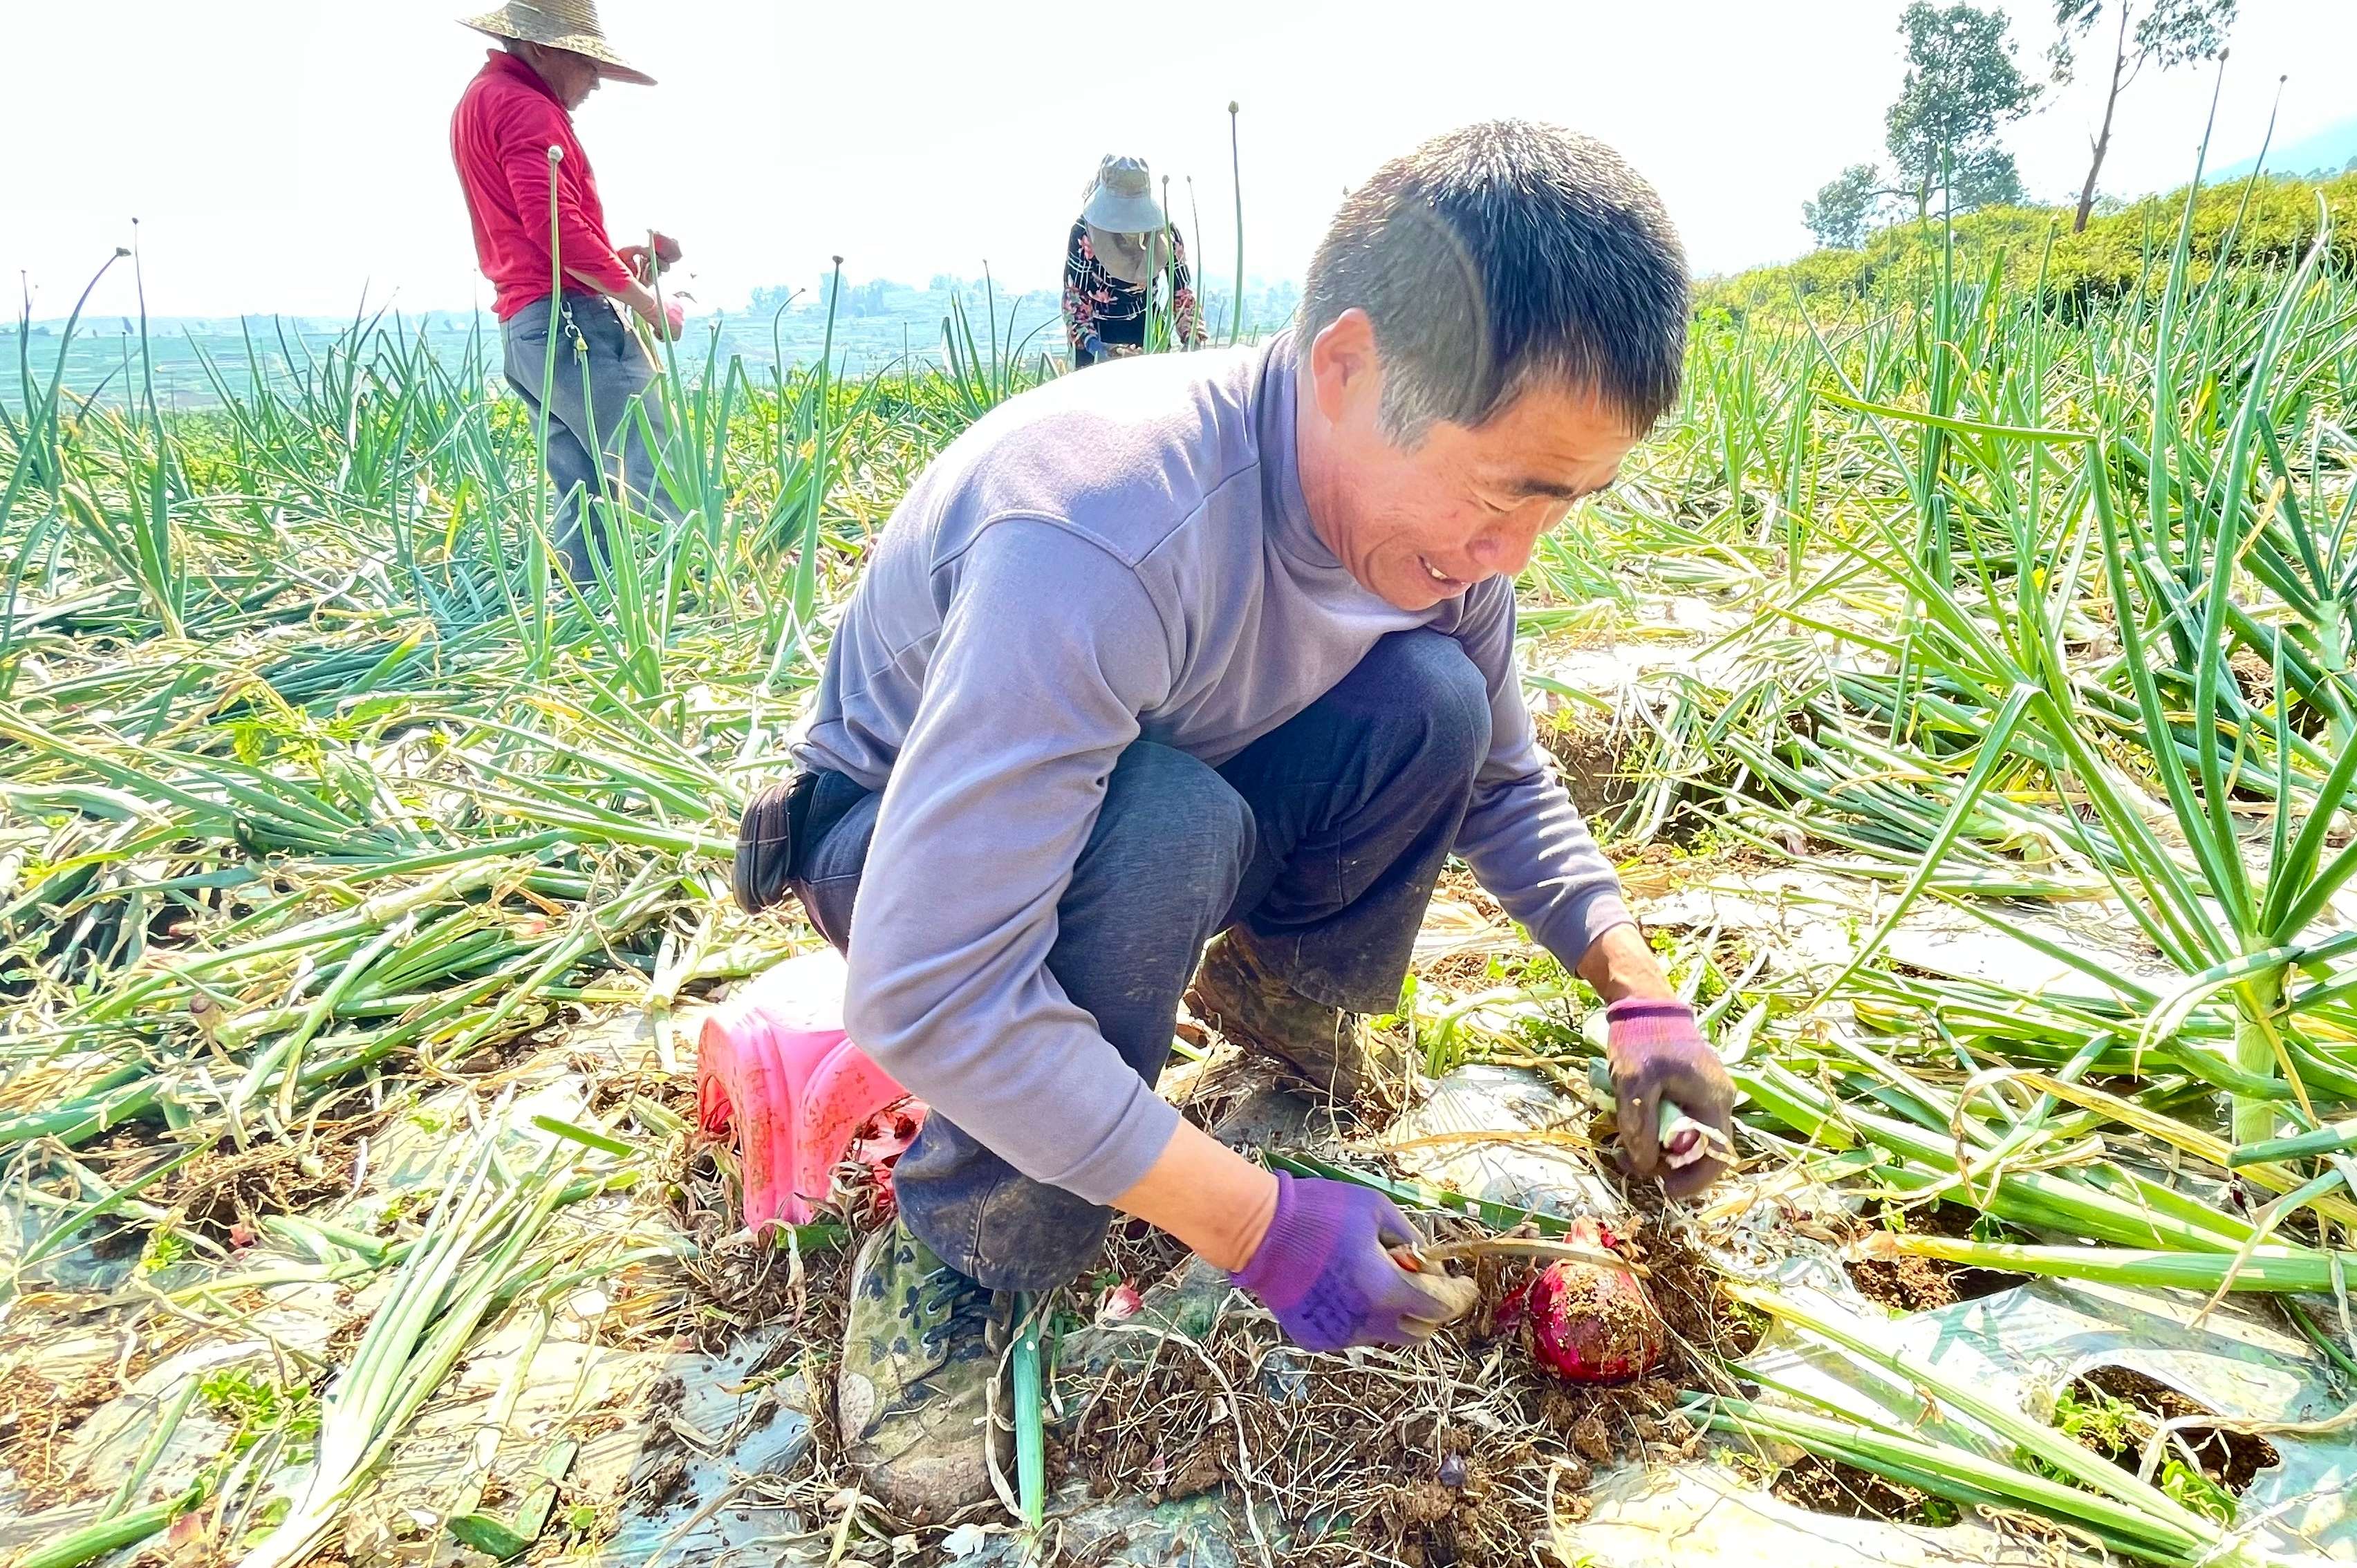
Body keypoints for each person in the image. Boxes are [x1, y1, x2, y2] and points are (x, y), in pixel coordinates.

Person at [731, 121, 1733, 1518]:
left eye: (1563, 504)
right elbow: (929, 985)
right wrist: (1253, 1226)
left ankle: (1274, 1023)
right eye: (1507, 492)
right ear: (1347, 370)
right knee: (1167, 826)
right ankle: (964, 1246)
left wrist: (1638, 991)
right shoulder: (1102, 524)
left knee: (1433, 699)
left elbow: (1502, 779)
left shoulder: (1442, 546)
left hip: (1160, 778)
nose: (1514, 553)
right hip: (912, 852)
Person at [449, 0, 686, 587]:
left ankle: (592, 606)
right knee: (652, 463)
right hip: (569, 325)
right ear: (543, 48)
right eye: (588, 64)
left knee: (581, 484)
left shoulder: (480, 100)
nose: (595, 82)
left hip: (527, 329)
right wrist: (648, 304)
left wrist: (619, 263)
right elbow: (555, 228)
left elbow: (538, 233)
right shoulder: (526, 107)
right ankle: (691, 596)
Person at [1063, 155, 1205, 369]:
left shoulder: (1165, 234)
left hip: (1147, 325)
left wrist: (1192, 338)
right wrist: (1097, 348)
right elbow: (1075, 297)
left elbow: (1181, 292)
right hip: (1097, 330)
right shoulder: (1085, 233)